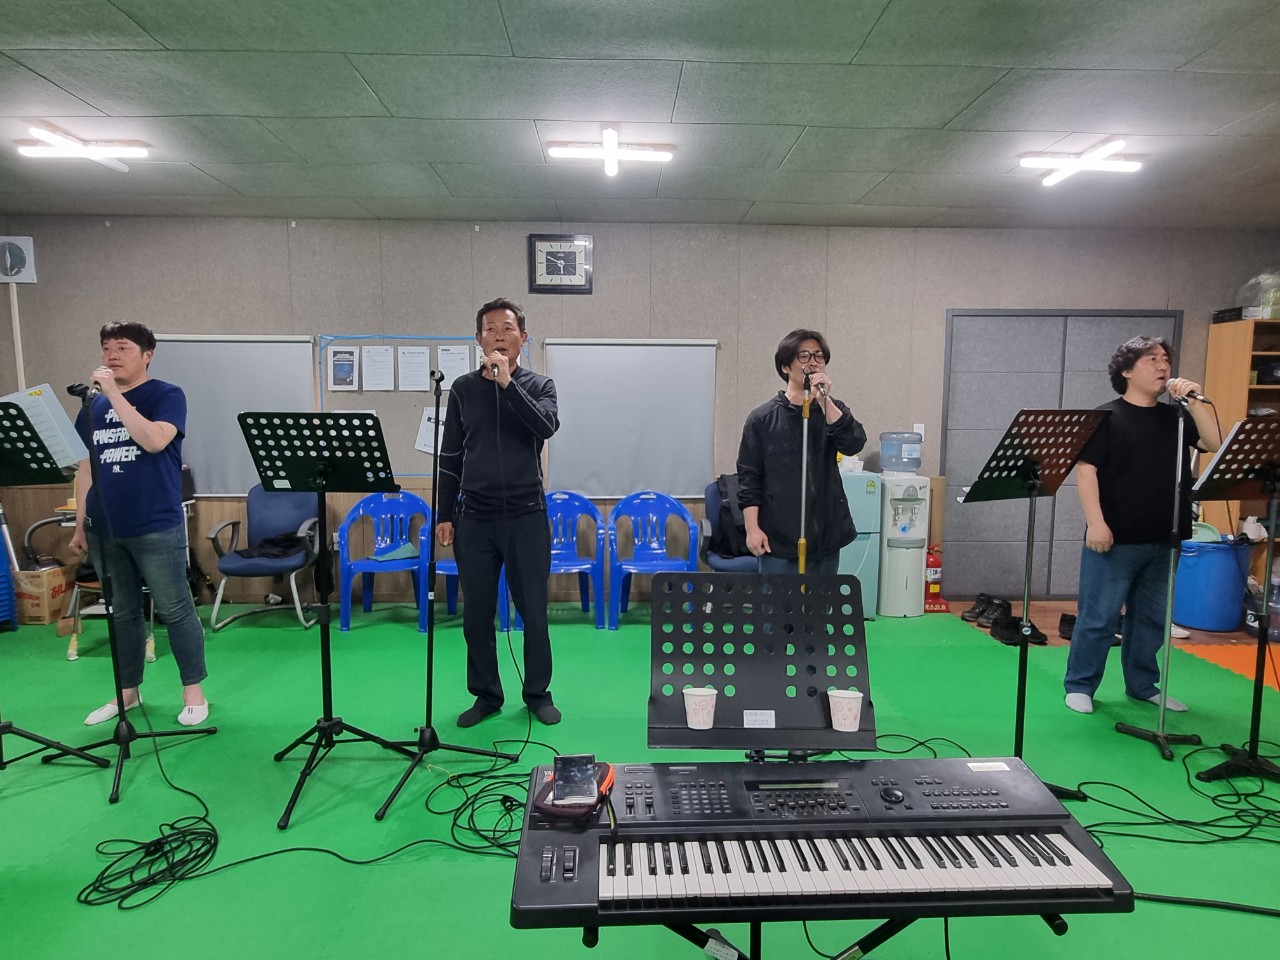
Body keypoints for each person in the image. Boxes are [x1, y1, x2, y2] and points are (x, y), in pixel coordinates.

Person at [1064, 336, 1221, 715]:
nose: (1163, 366)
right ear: (1127, 371)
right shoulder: (1106, 417)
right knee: (1099, 616)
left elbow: (1214, 442)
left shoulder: (1176, 418)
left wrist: (1195, 401)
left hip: (1166, 535)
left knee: (1151, 618)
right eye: (1151, 359)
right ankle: (1080, 685)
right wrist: (1095, 523)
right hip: (1115, 536)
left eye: (1165, 359)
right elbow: (1086, 472)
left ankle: (1142, 685)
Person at [69, 321, 209, 726]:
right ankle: (127, 692)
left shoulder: (165, 394)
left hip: (154, 524)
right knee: (122, 612)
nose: (112, 355)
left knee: (175, 608)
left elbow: (154, 440)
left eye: (123, 347)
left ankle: (193, 692)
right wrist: (80, 522)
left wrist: (114, 395)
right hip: (104, 527)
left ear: (147, 355)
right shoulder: (91, 407)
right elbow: (87, 466)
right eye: (106, 347)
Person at [435, 297, 561, 727]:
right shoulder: (462, 389)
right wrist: (444, 513)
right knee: (476, 615)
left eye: (507, 328)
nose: (499, 335)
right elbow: (451, 455)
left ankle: (537, 693)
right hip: (475, 518)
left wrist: (508, 384)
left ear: (523, 338)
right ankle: (486, 695)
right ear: (478, 339)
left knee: (534, 613)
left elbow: (545, 427)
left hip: (527, 516)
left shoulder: (540, 385)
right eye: (490, 329)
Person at [737, 329, 867, 574]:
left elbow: (854, 444)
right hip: (777, 535)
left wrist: (824, 401)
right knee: (778, 598)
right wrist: (752, 529)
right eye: (804, 356)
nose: (813, 363)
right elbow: (749, 479)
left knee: (821, 598)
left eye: (819, 356)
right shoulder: (762, 419)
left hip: (824, 533)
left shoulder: (833, 410)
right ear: (785, 366)